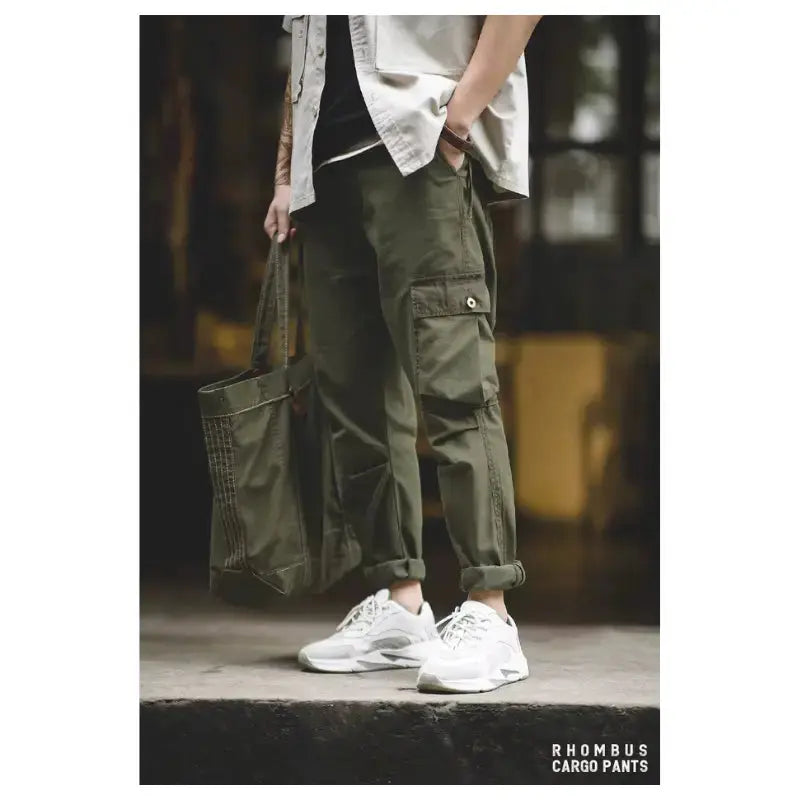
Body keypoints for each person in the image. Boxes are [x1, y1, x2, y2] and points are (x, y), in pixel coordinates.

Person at [264, 14, 541, 693]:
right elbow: (308, 46)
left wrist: (460, 115)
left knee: (455, 386)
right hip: (325, 173)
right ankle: (401, 603)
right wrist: (287, 172)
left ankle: (490, 610)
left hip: (418, 147)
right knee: (353, 396)